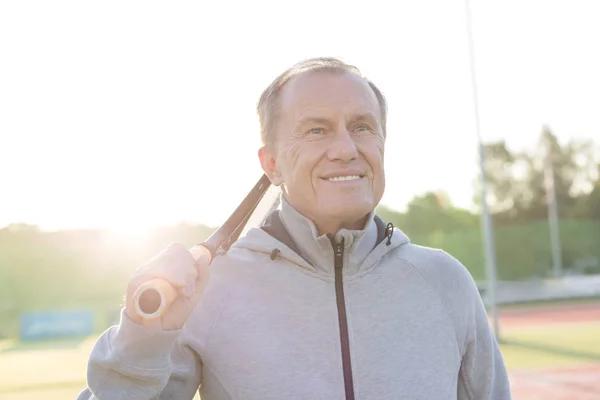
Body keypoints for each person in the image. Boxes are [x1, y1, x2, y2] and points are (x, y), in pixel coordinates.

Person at [78, 57, 512, 399]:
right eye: (316, 130)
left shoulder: (443, 280)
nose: (345, 149)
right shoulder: (210, 289)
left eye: (362, 127)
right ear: (271, 164)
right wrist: (142, 341)